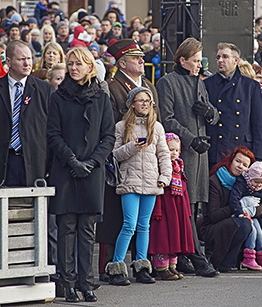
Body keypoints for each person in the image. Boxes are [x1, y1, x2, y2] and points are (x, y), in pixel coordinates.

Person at [47, 47, 115, 302]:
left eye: (79, 64)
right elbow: (52, 134)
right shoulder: (58, 96)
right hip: (66, 169)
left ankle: (86, 283)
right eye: (71, 63)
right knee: (66, 228)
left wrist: (92, 161)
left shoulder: (101, 96)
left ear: (90, 67)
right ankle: (67, 283)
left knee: (87, 229)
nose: (74, 68)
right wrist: (72, 160)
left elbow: (108, 135)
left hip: (92, 169)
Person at [95, 39, 161, 283]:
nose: (142, 61)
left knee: (142, 224)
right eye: (136, 58)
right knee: (117, 220)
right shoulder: (112, 87)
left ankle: (140, 264)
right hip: (121, 165)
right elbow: (109, 125)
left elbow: (157, 124)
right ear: (122, 63)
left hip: (147, 169)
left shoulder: (148, 86)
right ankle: (111, 266)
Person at [157, 37, 220, 277]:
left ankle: (184, 256)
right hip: (180, 154)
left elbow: (213, 114)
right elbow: (167, 118)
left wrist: (210, 113)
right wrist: (190, 138)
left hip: (199, 152)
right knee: (185, 208)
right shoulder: (167, 83)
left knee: (194, 208)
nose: (199, 65)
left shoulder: (199, 82)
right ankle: (197, 258)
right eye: (195, 61)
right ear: (182, 60)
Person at [106, 87, 171, 286]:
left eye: (148, 101)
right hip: (130, 181)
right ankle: (116, 267)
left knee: (144, 226)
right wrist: (132, 147)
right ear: (132, 103)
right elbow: (115, 155)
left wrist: (165, 176)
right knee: (129, 225)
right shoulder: (121, 126)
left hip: (151, 181)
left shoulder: (157, 127)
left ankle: (142, 267)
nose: (144, 104)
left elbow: (164, 154)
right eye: (140, 100)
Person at [0, 40, 55, 186]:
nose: (27, 63)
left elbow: (53, 131)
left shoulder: (45, 90)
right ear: (9, 62)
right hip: (2, 165)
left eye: (29, 58)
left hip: (35, 166)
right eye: (21, 59)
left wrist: (49, 168)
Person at [201, 147, 262, 272]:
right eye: (237, 161)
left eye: (245, 165)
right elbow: (213, 215)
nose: (240, 166)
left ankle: (252, 256)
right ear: (230, 160)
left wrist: (259, 208)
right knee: (244, 223)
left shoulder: (249, 183)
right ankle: (226, 262)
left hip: (242, 220)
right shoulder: (215, 181)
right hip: (216, 226)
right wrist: (239, 207)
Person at [204, 42, 262, 167]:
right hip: (215, 150)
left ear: (235, 60)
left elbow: (259, 124)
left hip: (242, 152)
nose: (220, 60)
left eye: (225, 57)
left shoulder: (250, 86)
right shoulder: (207, 84)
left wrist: (259, 158)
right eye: (218, 57)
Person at [148, 133, 195, 280]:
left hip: (177, 207)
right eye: (169, 150)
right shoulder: (160, 167)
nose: (173, 153)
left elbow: (184, 189)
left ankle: (171, 266)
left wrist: (186, 209)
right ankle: (161, 267)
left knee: (175, 235)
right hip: (165, 207)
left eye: (176, 150)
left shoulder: (179, 166)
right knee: (163, 235)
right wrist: (157, 210)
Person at [229, 161, 262, 270]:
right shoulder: (241, 183)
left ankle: (261, 255)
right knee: (252, 231)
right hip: (243, 213)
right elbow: (234, 198)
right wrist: (239, 212)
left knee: (259, 233)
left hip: (253, 215)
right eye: (256, 182)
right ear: (249, 178)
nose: (258, 185)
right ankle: (248, 258)